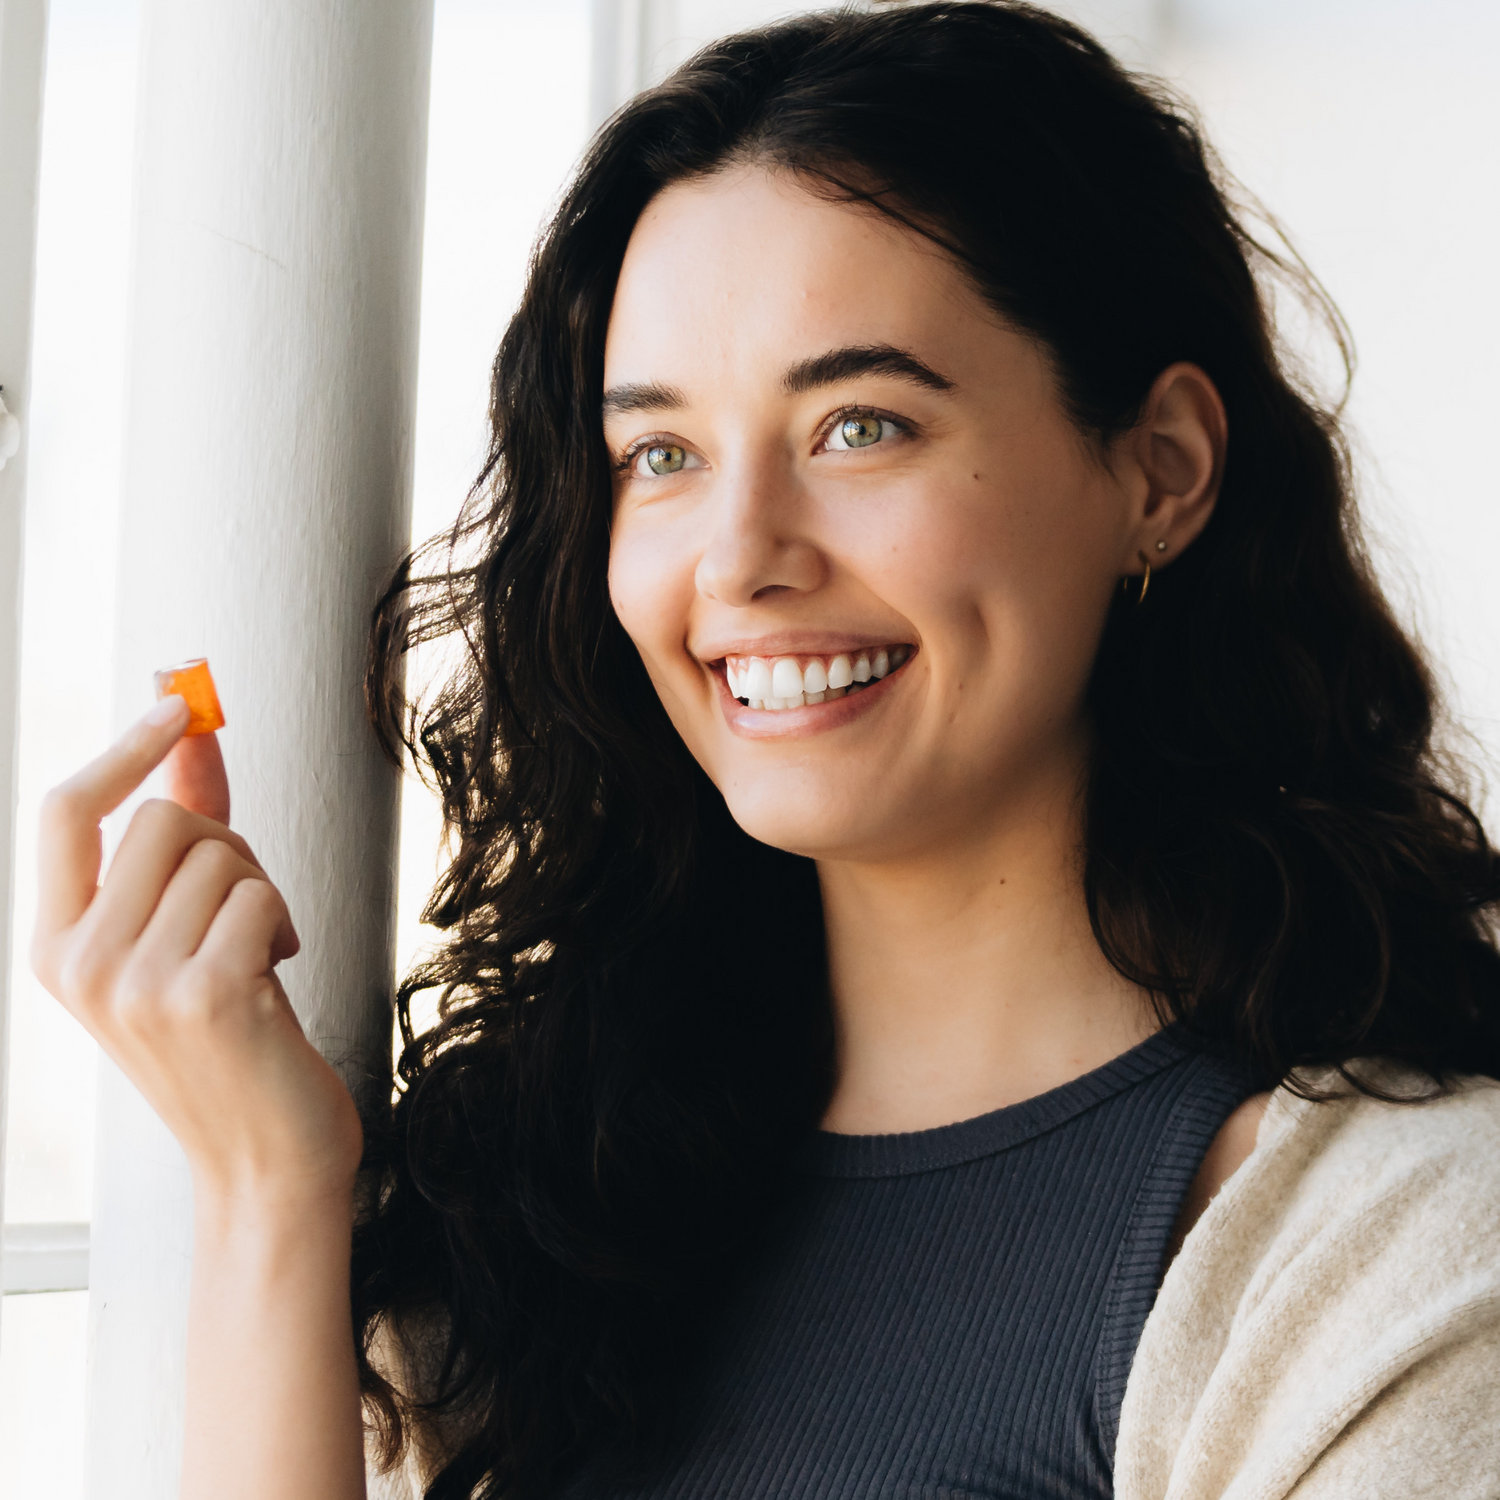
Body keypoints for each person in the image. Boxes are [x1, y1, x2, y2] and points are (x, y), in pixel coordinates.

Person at [32, 4, 1500, 1498]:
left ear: (1160, 471)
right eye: (660, 456)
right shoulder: (538, 1209)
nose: (738, 559)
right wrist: (272, 1191)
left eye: (861, 426)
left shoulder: (1388, 1258)